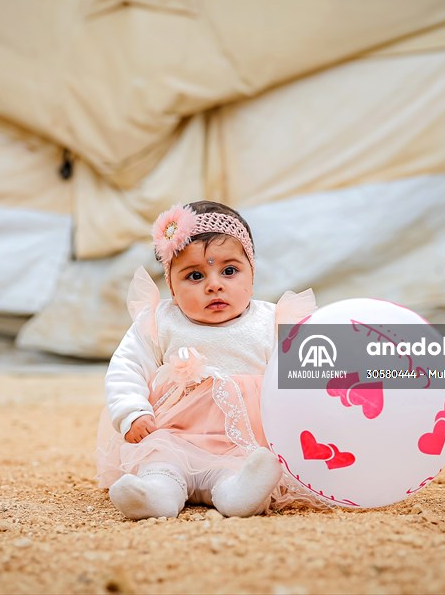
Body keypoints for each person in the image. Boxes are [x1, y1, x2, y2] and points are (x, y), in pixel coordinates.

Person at [96, 200, 316, 519]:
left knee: (247, 465)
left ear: (251, 275)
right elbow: (127, 366)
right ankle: (156, 493)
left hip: (241, 440)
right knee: (159, 461)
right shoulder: (160, 322)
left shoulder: (273, 322)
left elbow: (302, 376)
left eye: (229, 271)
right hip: (174, 434)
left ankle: (238, 494)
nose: (214, 285)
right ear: (171, 285)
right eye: (195, 275)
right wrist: (131, 411)